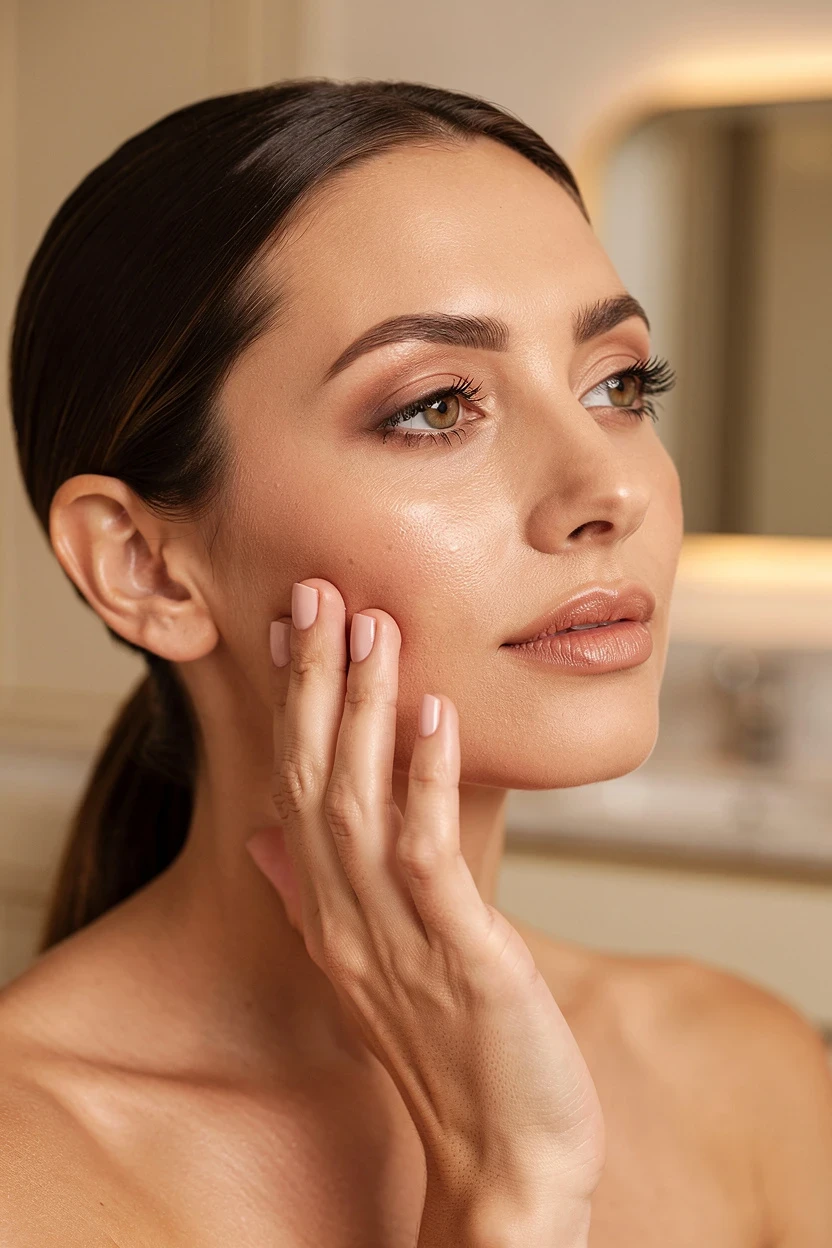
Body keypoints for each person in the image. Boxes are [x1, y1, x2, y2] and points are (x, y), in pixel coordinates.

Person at [2, 78, 831, 1246]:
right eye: (437, 407)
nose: (607, 488)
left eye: (617, 385)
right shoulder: (31, 1174)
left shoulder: (742, 1073)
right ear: (146, 567)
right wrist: (507, 1189)